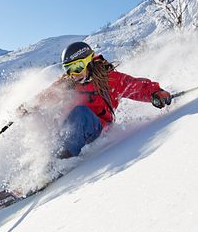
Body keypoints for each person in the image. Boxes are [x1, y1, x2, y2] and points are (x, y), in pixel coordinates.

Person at [22, 41, 172, 159]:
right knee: (50, 120)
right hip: (72, 132)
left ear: (89, 62)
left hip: (98, 127)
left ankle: (60, 161)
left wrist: (156, 93)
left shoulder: (110, 79)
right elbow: (47, 96)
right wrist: (29, 107)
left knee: (80, 114)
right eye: (68, 69)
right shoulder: (68, 84)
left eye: (78, 67)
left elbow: (136, 86)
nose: (73, 74)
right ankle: (34, 167)